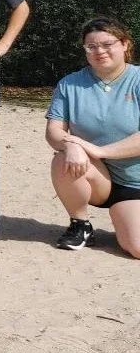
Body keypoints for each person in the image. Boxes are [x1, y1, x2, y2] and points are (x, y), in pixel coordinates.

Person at [46, 17, 140, 257]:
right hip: (98, 177)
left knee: (136, 247)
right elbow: (54, 131)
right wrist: (70, 144)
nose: (100, 51)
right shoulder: (69, 84)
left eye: (108, 44)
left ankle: (126, 221)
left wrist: (100, 150)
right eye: (92, 46)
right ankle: (80, 224)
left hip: (135, 182)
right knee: (62, 158)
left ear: (125, 44)